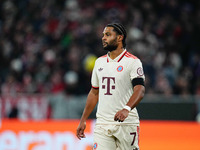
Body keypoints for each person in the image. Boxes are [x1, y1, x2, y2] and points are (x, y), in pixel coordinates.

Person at [76, 23, 145, 150]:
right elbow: (94, 93)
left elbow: (140, 90)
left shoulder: (133, 62)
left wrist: (126, 109)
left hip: (126, 124)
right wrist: (83, 119)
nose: (103, 38)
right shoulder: (99, 62)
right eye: (103, 35)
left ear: (120, 38)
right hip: (103, 124)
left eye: (108, 35)